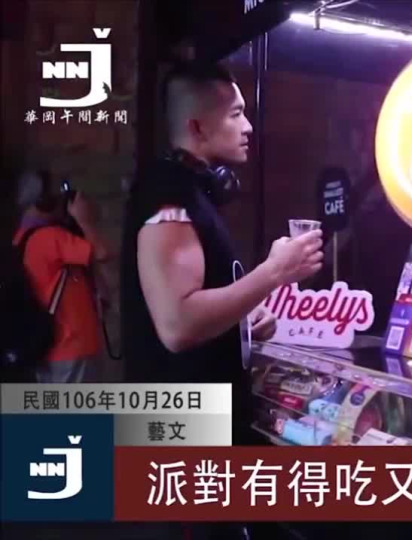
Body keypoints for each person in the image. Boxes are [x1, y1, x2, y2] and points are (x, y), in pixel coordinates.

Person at [121, 61, 323, 445]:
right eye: (236, 114)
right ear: (197, 127)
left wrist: (241, 319)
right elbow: (178, 325)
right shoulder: (170, 198)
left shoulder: (194, 194)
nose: (248, 127)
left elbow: (200, 298)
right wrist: (273, 273)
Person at [12, 169, 112, 382]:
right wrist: (85, 220)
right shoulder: (52, 238)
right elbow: (102, 252)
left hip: (47, 347)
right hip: (72, 347)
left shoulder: (21, 238)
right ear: (44, 202)